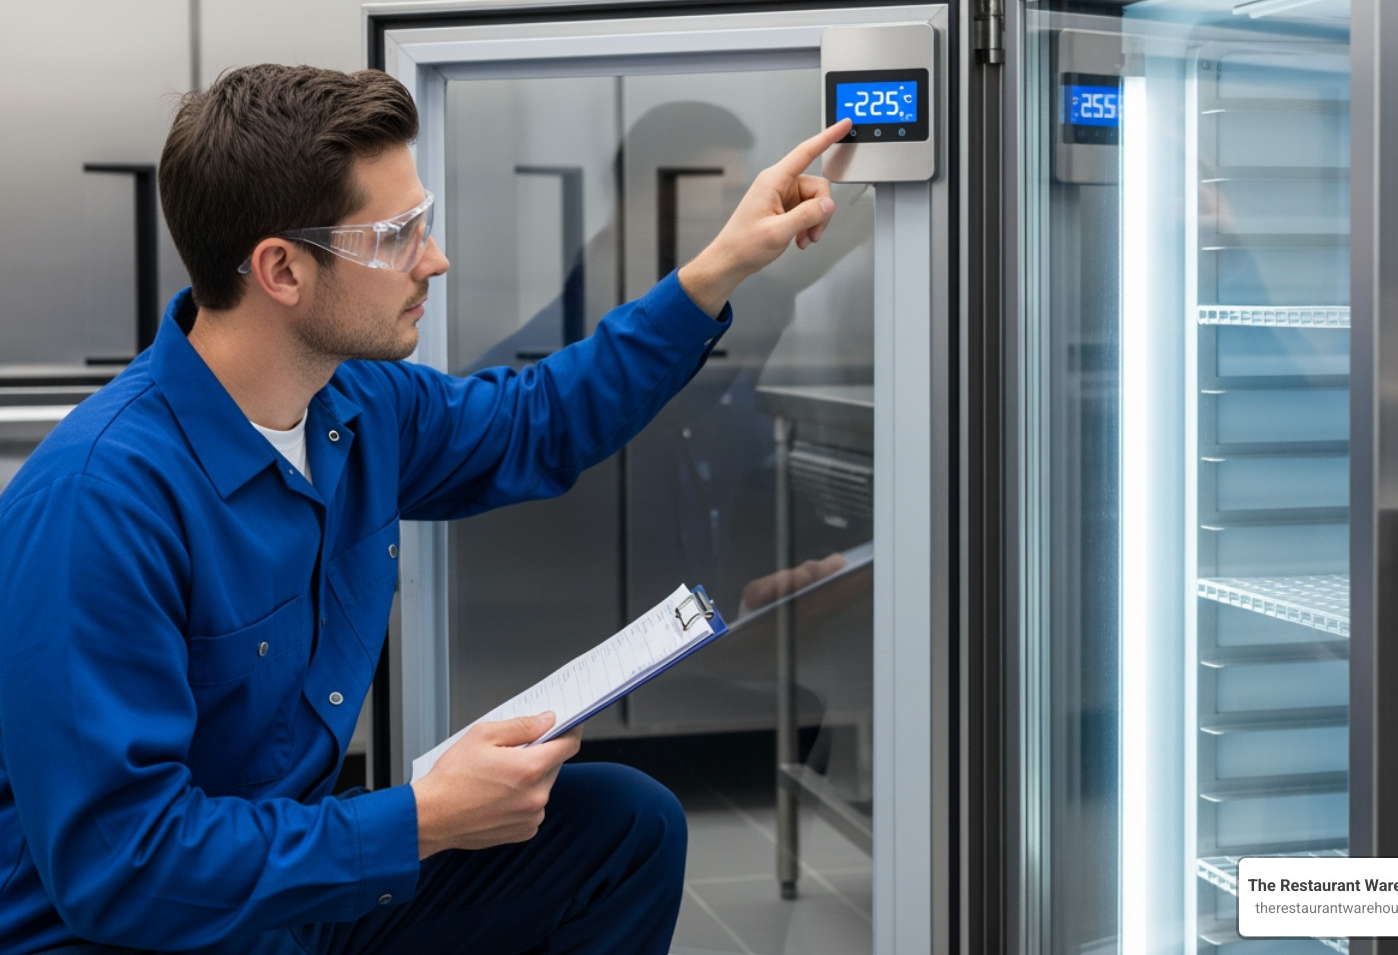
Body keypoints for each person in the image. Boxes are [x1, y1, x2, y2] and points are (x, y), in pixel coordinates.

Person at [0, 63, 851, 955]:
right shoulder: (98, 505)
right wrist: (420, 822)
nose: (434, 259)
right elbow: (123, 867)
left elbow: (538, 421)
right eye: (397, 236)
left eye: (425, 222)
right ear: (282, 269)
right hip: (146, 932)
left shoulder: (355, 407)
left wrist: (720, 267)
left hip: (292, 891)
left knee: (622, 830)